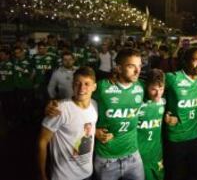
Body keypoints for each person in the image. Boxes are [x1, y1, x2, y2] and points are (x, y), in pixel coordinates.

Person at [45, 48, 145, 180]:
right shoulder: (103, 87)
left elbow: (160, 90)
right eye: (131, 66)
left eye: (139, 66)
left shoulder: (141, 86)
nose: (137, 71)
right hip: (106, 160)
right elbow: (78, 102)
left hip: (133, 156)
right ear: (119, 68)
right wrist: (53, 104)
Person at [38, 67, 98, 180]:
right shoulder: (60, 109)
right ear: (72, 85)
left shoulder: (95, 105)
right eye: (77, 83)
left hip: (87, 174)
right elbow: (42, 141)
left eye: (87, 84)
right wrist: (42, 175)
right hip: (63, 176)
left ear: (94, 87)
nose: (81, 88)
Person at [164, 47, 197, 180]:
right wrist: (164, 114)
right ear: (186, 62)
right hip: (176, 138)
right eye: (195, 60)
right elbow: (151, 89)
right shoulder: (172, 78)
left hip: (196, 135)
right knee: (176, 175)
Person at [137, 69, 171, 180]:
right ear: (146, 86)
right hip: (139, 155)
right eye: (153, 89)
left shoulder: (164, 102)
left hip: (157, 154)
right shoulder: (137, 103)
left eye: (161, 89)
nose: (158, 94)